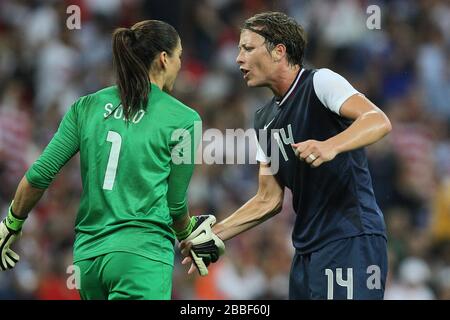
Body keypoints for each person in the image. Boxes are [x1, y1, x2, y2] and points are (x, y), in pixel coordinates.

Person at [181, 12, 392, 300]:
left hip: (349, 238)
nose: (238, 58)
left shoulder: (320, 82)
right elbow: (269, 199)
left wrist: (331, 145)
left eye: (247, 48)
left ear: (279, 51)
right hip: (306, 250)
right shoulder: (263, 119)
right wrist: (215, 233)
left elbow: (377, 120)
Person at [0, 20, 203, 300]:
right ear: (164, 59)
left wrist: (11, 223)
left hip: (88, 261)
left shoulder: (87, 107)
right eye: (179, 56)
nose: (181, 65)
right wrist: (190, 235)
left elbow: (39, 175)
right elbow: (176, 204)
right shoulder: (184, 120)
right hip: (141, 258)